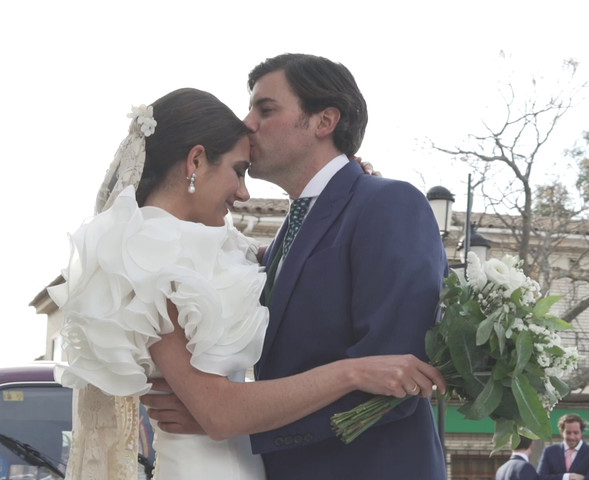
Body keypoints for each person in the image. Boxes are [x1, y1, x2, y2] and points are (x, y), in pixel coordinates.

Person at [50, 88, 446, 480]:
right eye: (238, 171)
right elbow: (220, 413)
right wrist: (353, 372)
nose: (243, 192)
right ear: (196, 161)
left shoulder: (215, 248)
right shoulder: (148, 259)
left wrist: (347, 197)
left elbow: (296, 270)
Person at [537, 413, 589, 480]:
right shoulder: (549, 452)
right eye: (568, 433)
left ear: (582, 432)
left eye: (576, 433)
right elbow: (540, 478)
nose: (572, 437)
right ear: (562, 432)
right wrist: (567, 477)